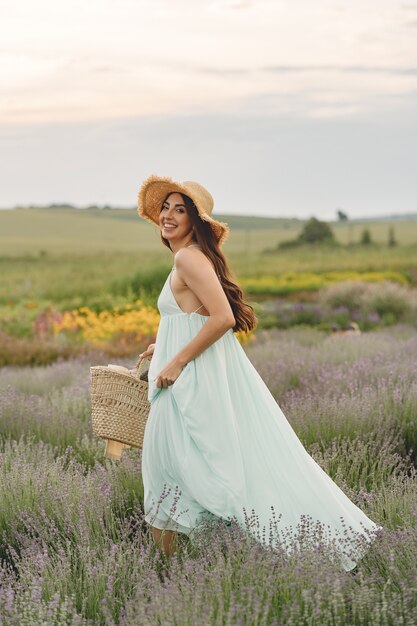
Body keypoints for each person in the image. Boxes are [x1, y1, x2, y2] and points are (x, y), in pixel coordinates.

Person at [137, 174, 382, 571]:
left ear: (195, 221)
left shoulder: (188, 257)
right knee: (192, 468)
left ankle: (171, 576)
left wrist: (177, 360)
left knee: (168, 474)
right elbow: (193, 318)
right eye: (165, 207)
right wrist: (161, 347)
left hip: (189, 383)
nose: (168, 215)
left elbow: (223, 318)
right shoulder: (190, 256)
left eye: (179, 210)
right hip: (192, 378)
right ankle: (192, 568)